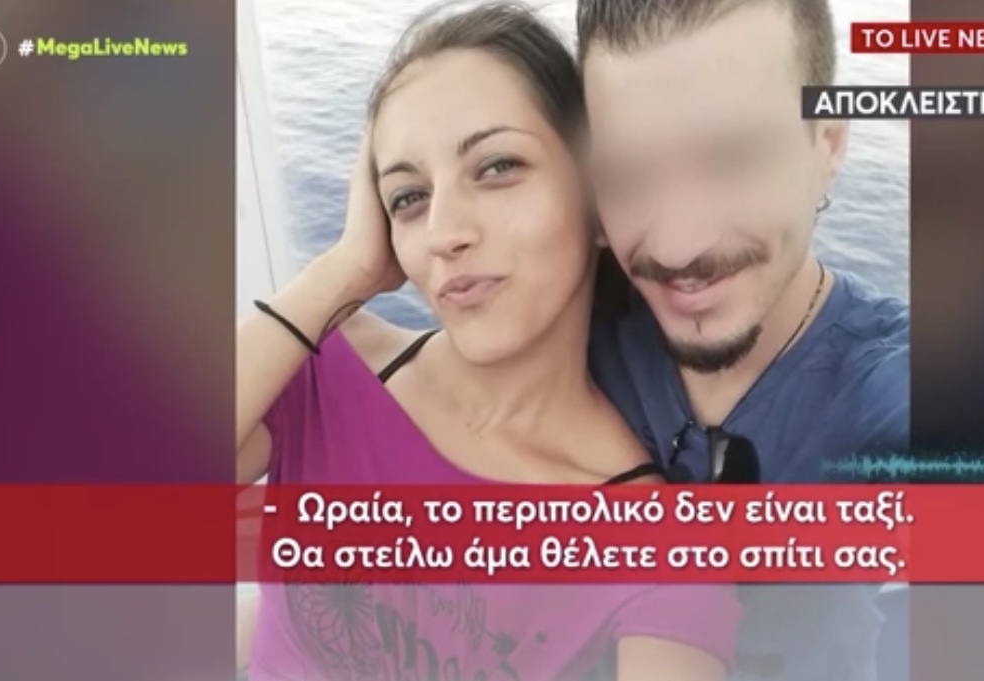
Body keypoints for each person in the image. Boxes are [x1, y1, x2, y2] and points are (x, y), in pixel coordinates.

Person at [235, 3, 740, 680]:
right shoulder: (326, 366)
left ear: (602, 203)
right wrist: (345, 269)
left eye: (498, 166)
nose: (444, 232)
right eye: (408, 197)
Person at [577, 0, 908, 679]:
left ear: (828, 143)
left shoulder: (880, 384)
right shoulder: (576, 332)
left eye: (733, 159)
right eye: (629, 174)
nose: (679, 245)